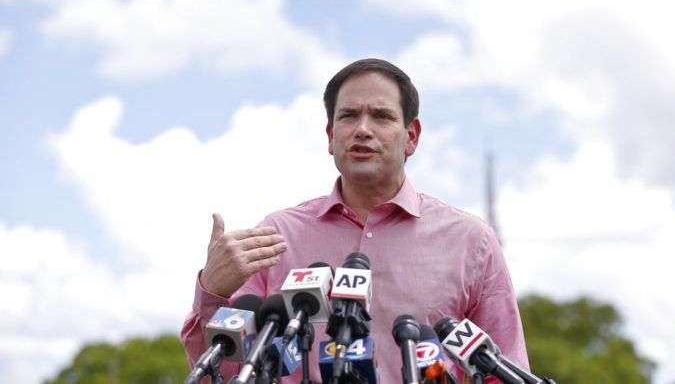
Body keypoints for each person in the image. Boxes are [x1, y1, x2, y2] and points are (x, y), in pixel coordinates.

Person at [181, 58, 529, 383]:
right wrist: (213, 289)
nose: (363, 129)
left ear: (412, 137)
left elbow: (504, 367)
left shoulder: (470, 241)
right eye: (348, 116)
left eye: (381, 116)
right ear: (331, 137)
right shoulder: (278, 235)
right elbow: (224, 372)